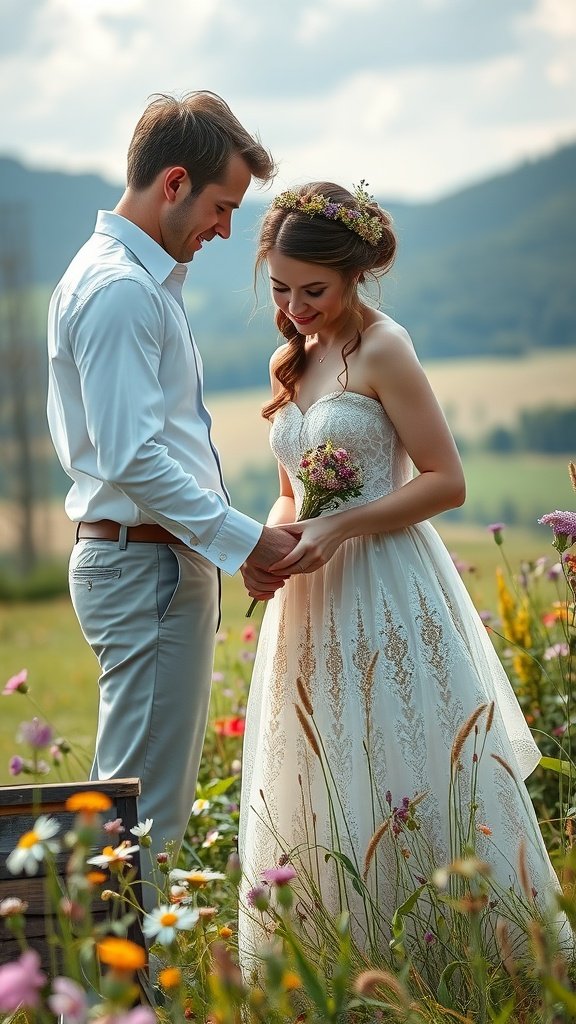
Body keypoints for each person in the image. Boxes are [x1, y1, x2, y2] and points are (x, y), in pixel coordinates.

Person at [238, 181, 567, 966]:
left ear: (354, 275)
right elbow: (290, 494)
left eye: (313, 290)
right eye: (280, 289)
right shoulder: (295, 355)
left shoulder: (384, 346)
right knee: (324, 770)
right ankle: (339, 958)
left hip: (385, 583)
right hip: (309, 599)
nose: (295, 307)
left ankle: (458, 954)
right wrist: (270, 546)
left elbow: (445, 480)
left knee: (401, 757)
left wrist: (340, 524)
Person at [46, 91, 298, 902]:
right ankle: (115, 992)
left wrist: (222, 545)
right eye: (223, 206)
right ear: (175, 182)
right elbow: (131, 456)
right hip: (144, 566)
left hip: (152, 562)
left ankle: (98, 979)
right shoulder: (122, 289)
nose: (227, 229)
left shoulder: (138, 280)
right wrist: (245, 539)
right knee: (144, 814)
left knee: (142, 804)